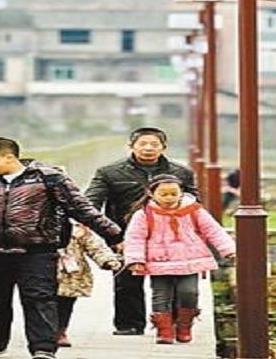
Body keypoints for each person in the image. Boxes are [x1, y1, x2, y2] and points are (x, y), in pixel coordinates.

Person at [0, 136, 122, 359]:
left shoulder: (48, 178)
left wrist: (114, 235)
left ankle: (43, 347)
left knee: (39, 298)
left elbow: (81, 208)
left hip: (37, 249)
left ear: (8, 156)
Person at [84, 126, 197, 335]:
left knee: (170, 281)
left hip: (170, 238)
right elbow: (90, 205)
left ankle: (169, 323)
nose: (148, 148)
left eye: (154, 144)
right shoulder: (109, 172)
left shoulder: (181, 173)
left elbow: (194, 205)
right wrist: (112, 237)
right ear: (131, 146)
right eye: (142, 144)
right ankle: (130, 324)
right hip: (125, 236)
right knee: (127, 283)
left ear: (164, 147)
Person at [123, 174, 235, 344]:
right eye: (164, 194)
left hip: (190, 259)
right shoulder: (144, 214)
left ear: (181, 192)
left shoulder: (194, 210)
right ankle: (164, 330)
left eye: (173, 194)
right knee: (161, 295)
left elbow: (214, 230)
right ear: (151, 194)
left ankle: (185, 325)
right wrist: (135, 260)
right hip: (159, 260)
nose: (169, 198)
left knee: (189, 292)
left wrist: (228, 250)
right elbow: (135, 238)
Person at [55, 221, 123, 348]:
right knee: (41, 302)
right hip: (41, 270)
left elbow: (97, 246)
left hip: (70, 274)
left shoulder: (78, 230)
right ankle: (44, 333)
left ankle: (60, 330)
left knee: (65, 303)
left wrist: (108, 260)